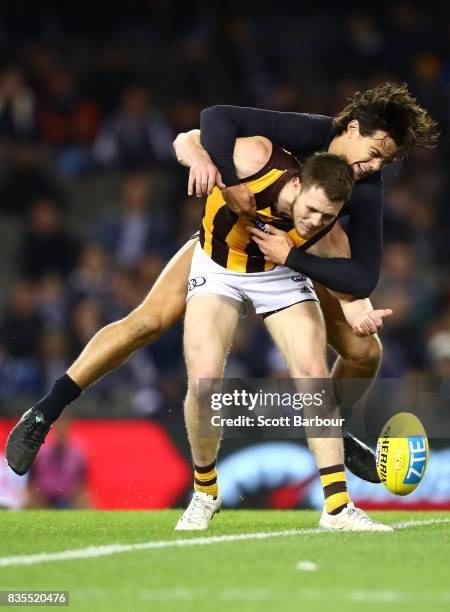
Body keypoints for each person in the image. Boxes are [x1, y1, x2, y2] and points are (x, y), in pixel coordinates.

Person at [5, 83, 435, 479]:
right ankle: (44, 412)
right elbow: (206, 126)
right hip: (227, 247)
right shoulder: (306, 132)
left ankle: (330, 431)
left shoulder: (368, 186)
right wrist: (224, 179)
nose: (375, 165)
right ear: (354, 127)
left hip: (288, 260)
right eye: (376, 151)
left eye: (386, 160)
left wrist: (294, 258)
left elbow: (364, 274)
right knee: (146, 322)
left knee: (365, 351)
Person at [174, 135, 392, 531]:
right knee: (203, 381)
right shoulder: (253, 158)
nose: (313, 222)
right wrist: (198, 161)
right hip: (217, 268)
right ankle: (205, 491)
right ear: (297, 184)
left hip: (280, 275)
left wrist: (361, 314)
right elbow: (185, 139)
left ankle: (338, 508)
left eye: (327, 217)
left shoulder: (325, 229)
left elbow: (350, 288)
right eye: (310, 210)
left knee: (314, 373)